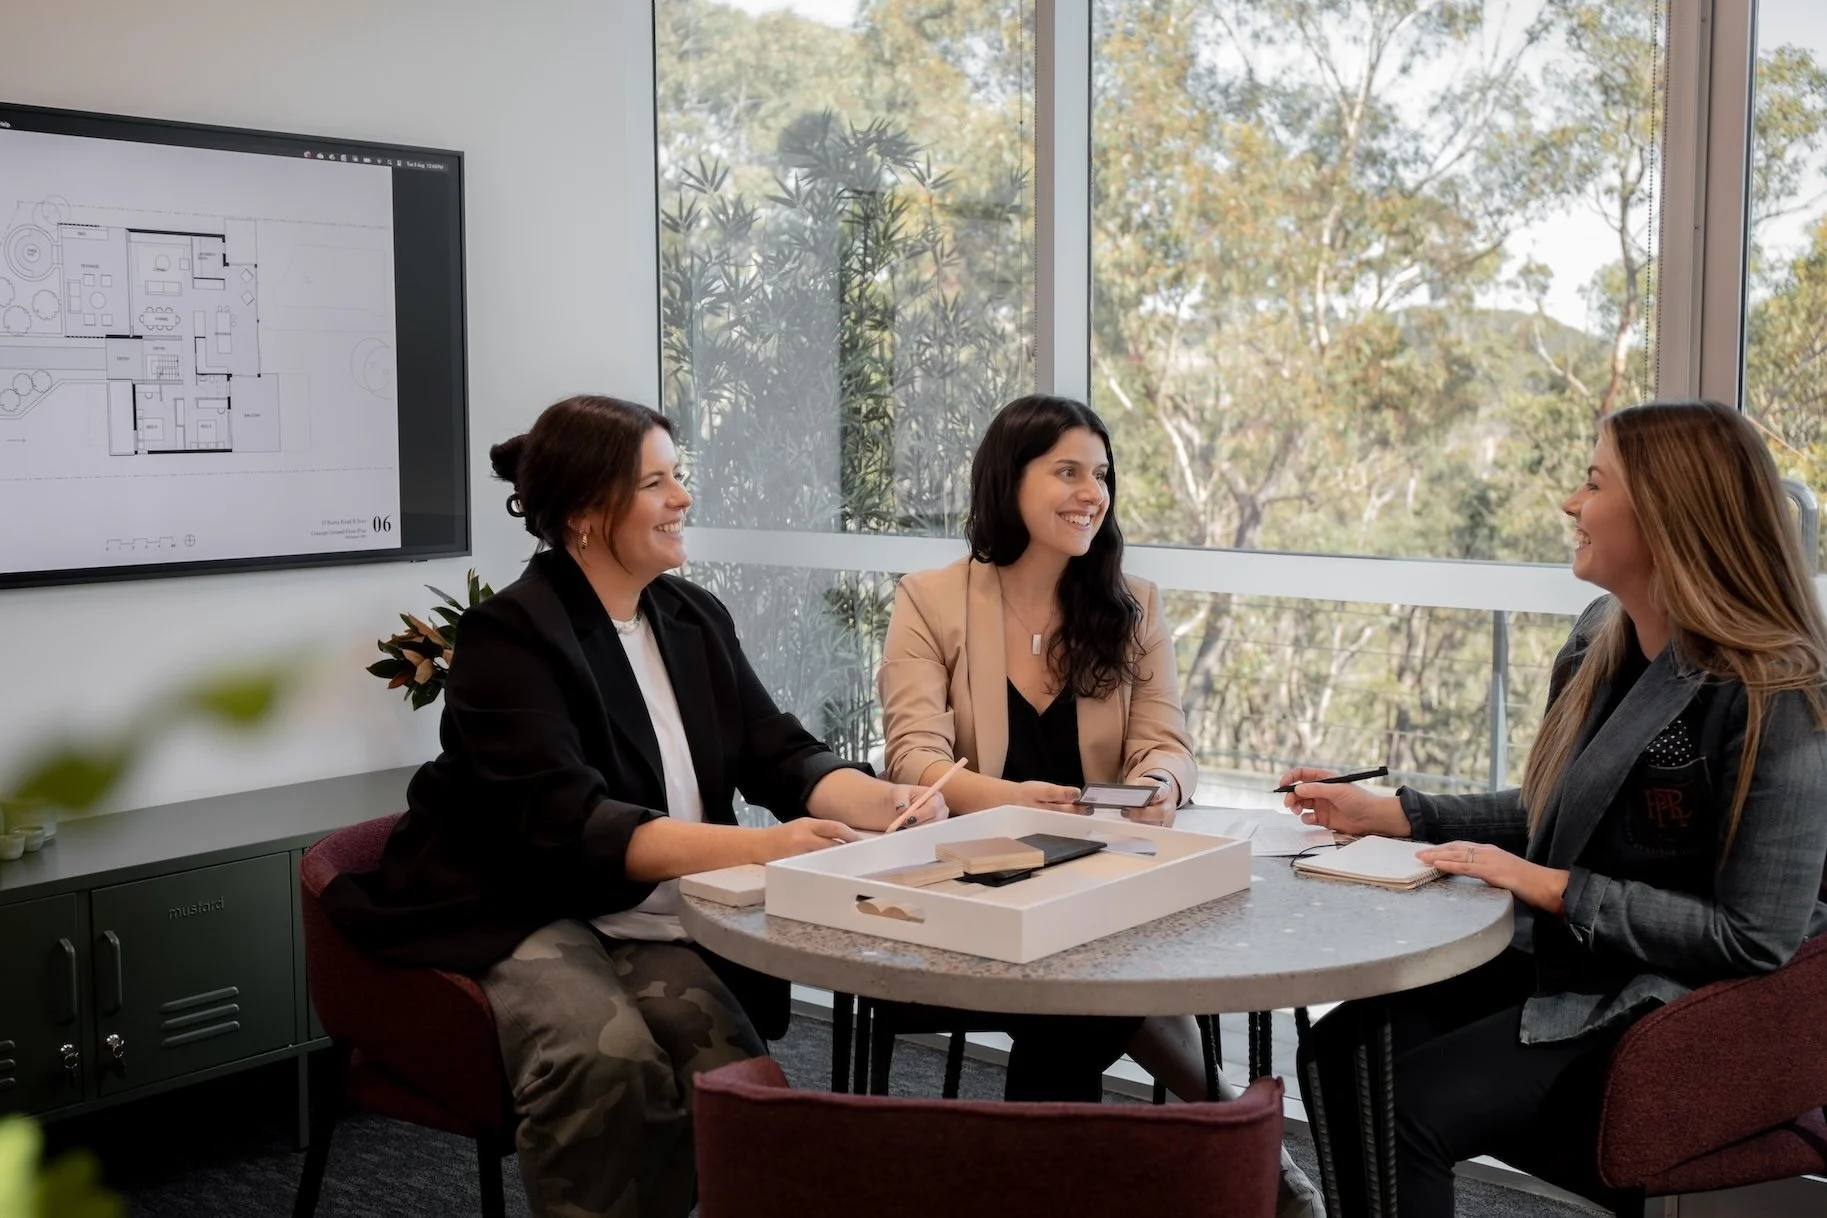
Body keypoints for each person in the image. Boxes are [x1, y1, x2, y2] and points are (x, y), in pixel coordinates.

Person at [323, 394, 947, 1218]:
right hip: (519, 903)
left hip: (637, 910)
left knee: (732, 1079)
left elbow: (778, 753)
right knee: (603, 1063)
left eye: (677, 477)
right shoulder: (508, 639)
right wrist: (765, 849)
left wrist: (883, 799)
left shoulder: (689, 616)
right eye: (657, 483)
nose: (682, 498)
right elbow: (575, 829)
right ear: (585, 513)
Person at [1284, 399, 1827, 1216]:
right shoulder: (1600, 637)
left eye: (1592, 482)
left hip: (1679, 993)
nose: (1570, 505)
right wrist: (1392, 814)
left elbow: (1751, 935)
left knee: (1406, 1101)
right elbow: (1560, 814)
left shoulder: (1774, 690)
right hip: (1579, 951)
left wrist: (1552, 888)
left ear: (1668, 513)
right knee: (1336, 1051)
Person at [880, 394, 1322, 1216]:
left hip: (1103, 877)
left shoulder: (1130, 603)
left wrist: (1160, 785)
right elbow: (916, 759)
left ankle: (1038, 1188)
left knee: (1083, 984)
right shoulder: (930, 600)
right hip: (980, 879)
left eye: (1103, 474)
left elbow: (1166, 740)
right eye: (1068, 472)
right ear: (1008, 482)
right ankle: (1240, 1141)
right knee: (1087, 987)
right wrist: (1015, 803)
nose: (1093, 492)